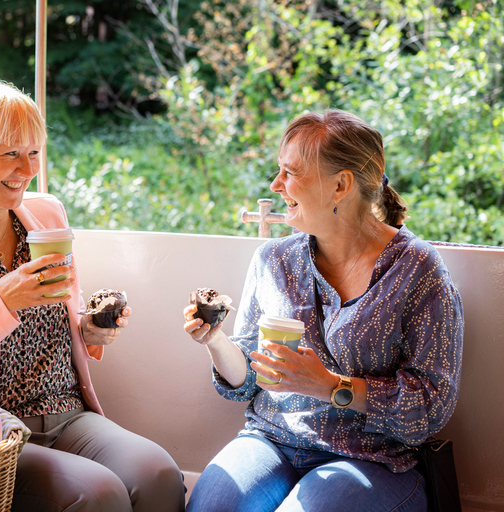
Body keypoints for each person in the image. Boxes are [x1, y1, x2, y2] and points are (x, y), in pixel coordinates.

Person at [0, 80, 185, 512]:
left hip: (68, 412)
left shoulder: (46, 213)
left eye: (34, 152)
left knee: (160, 475)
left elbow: (61, 320)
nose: (27, 168)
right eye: (9, 153)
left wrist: (90, 330)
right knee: (99, 494)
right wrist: (2, 301)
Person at [183, 109, 463, 512]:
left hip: (372, 461)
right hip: (272, 440)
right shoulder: (273, 260)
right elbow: (247, 380)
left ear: (341, 185)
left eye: (290, 173)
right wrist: (215, 341)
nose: (276, 184)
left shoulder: (418, 269)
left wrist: (331, 386)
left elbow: (430, 408)